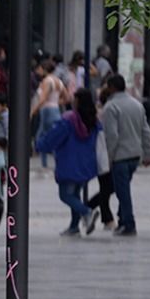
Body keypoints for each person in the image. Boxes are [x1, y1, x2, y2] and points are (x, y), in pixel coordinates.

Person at [36, 88, 102, 236]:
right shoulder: (93, 120)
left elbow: (53, 137)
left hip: (69, 163)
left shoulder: (68, 120)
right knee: (75, 194)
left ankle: (87, 212)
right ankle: (74, 227)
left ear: (77, 101)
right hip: (86, 164)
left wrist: (39, 145)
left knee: (65, 195)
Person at [100, 74, 150, 236]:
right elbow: (146, 131)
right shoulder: (137, 105)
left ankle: (128, 223)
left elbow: (112, 136)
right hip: (134, 155)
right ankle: (123, 219)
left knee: (123, 192)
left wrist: (108, 158)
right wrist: (148, 153)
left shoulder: (110, 107)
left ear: (111, 87)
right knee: (123, 188)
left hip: (120, 156)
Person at [86, 85, 116, 231]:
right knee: (108, 187)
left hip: (103, 155)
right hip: (105, 155)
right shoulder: (105, 113)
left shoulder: (103, 112)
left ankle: (107, 218)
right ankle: (90, 207)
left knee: (107, 187)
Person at [30, 57, 65, 168]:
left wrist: (33, 111)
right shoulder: (58, 81)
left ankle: (45, 163)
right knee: (53, 135)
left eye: (40, 68)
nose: (38, 71)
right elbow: (67, 97)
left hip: (46, 111)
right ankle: (57, 160)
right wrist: (55, 102)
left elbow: (43, 98)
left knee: (42, 137)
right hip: (55, 110)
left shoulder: (47, 81)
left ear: (44, 69)